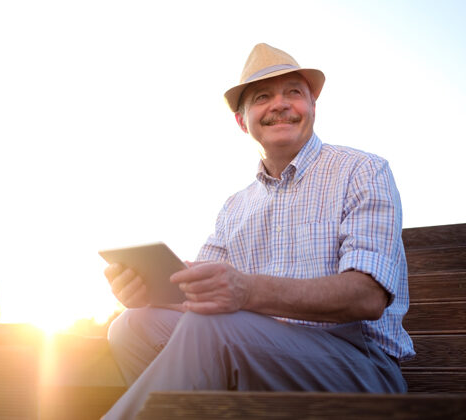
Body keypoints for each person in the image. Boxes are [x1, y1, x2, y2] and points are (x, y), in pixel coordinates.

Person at [102, 43, 415, 419]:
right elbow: (202, 294)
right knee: (133, 326)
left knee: (213, 330)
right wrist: (149, 292)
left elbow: (367, 297)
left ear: (312, 106)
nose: (280, 104)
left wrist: (246, 291)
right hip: (257, 354)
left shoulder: (362, 171)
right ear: (242, 120)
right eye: (262, 97)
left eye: (293, 93)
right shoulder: (235, 206)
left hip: (359, 367)